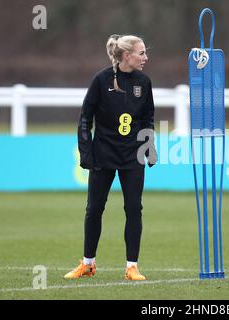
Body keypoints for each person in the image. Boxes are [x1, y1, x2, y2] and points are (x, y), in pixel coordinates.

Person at [64, 34, 157, 281]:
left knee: (134, 209)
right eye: (142, 53)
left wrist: (149, 147)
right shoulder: (101, 80)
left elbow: (148, 117)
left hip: (132, 156)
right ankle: (88, 264)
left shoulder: (144, 82)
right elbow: (85, 118)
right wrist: (87, 153)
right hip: (103, 156)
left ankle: (132, 267)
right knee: (94, 209)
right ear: (127, 56)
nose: (146, 57)